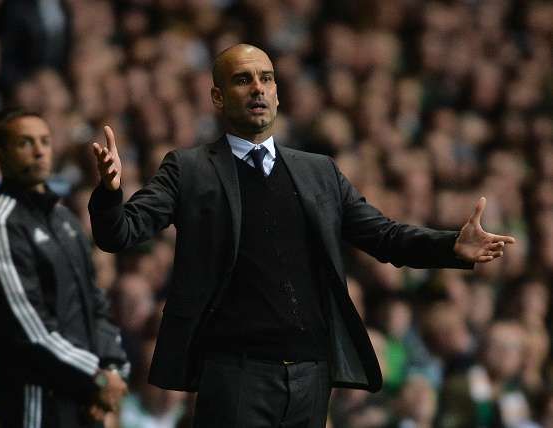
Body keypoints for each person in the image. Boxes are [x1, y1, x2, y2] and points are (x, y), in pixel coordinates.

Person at [88, 44, 515, 427]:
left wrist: (450, 246)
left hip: (311, 374)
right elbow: (121, 233)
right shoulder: (189, 168)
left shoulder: (319, 171)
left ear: (277, 93)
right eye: (242, 79)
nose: (257, 88)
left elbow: (383, 236)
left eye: (266, 78)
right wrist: (109, 194)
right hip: (236, 374)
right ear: (218, 97)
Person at [0, 108, 129, 428]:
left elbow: (95, 302)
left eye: (44, 141)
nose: (40, 150)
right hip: (36, 400)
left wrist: (113, 368)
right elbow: (28, 327)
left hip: (86, 398)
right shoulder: (1, 225)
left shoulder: (64, 219)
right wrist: (96, 377)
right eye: (25, 142)